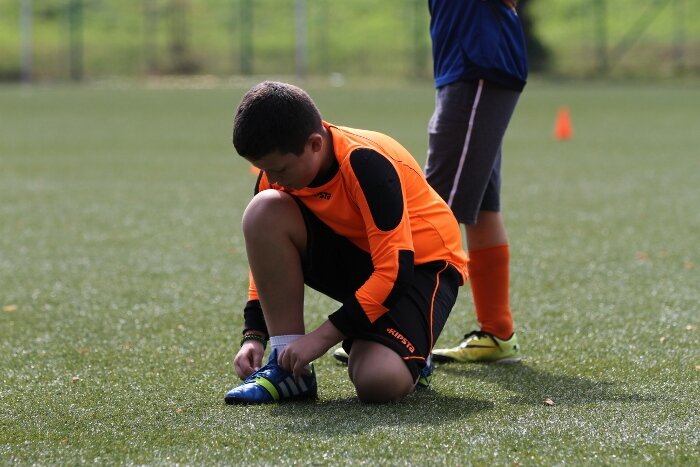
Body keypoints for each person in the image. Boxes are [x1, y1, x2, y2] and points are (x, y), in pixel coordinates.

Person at [224, 81, 468, 404]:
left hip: (422, 267)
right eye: (266, 169)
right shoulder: (278, 174)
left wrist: (321, 337)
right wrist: (254, 334)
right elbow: (265, 255)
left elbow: (395, 272)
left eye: (280, 169)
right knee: (263, 210)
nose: (274, 178)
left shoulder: (365, 163)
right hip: (365, 262)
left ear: (315, 144)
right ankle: (290, 374)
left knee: (377, 381)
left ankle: (413, 355)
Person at [424, 0, 528, 363]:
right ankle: (497, 331)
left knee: (434, 208)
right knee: (482, 206)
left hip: (477, 60)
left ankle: (401, 336)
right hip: (470, 61)